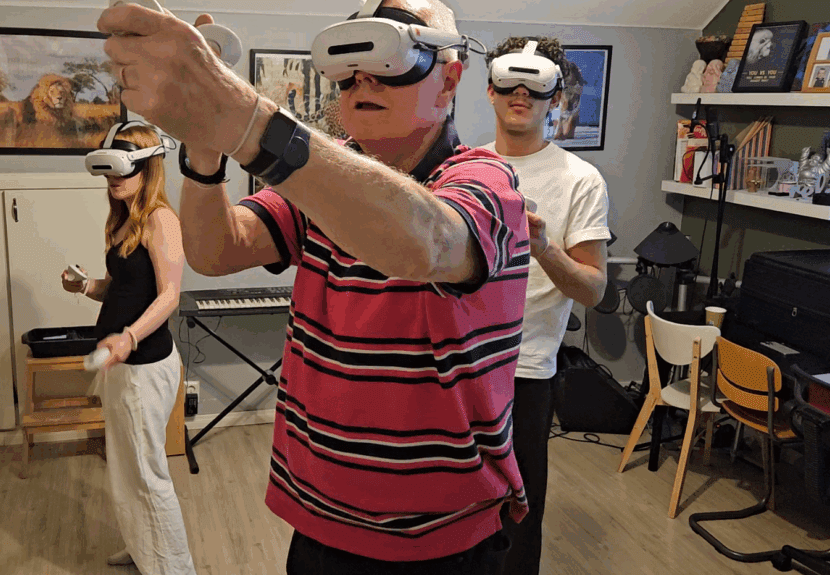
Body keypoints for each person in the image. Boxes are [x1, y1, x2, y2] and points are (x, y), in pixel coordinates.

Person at [97, 0, 531, 573]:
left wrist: (245, 118)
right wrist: (203, 145)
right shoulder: (319, 180)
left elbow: (422, 242)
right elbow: (215, 250)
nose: (363, 80)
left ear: (450, 76)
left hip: (440, 537)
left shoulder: (486, 182)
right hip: (320, 520)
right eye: (350, 64)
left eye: (393, 58)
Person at [482, 36, 610, 574]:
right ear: (488, 90)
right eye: (508, 82)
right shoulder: (462, 168)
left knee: (517, 515)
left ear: (555, 97)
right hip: (453, 363)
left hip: (526, 370)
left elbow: (593, 289)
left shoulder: (580, 180)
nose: (520, 93)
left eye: (535, 85)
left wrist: (542, 246)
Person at [61, 123, 195, 575]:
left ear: (147, 167)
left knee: (148, 474)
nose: (113, 181)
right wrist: (86, 287)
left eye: (123, 171)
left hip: (144, 367)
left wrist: (130, 337)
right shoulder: (122, 220)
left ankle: (175, 568)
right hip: (120, 364)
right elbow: (122, 289)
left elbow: (169, 295)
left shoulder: (162, 220)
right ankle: (142, 549)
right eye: (108, 173)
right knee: (125, 470)